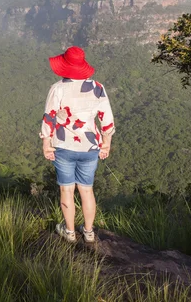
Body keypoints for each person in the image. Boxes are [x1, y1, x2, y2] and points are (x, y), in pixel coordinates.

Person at [40, 46, 115, 243]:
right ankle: (89, 232)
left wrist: (46, 145)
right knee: (87, 189)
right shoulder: (98, 88)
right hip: (90, 148)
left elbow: (49, 118)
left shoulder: (58, 88)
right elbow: (106, 119)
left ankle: (70, 232)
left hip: (63, 146)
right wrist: (106, 144)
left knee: (66, 190)